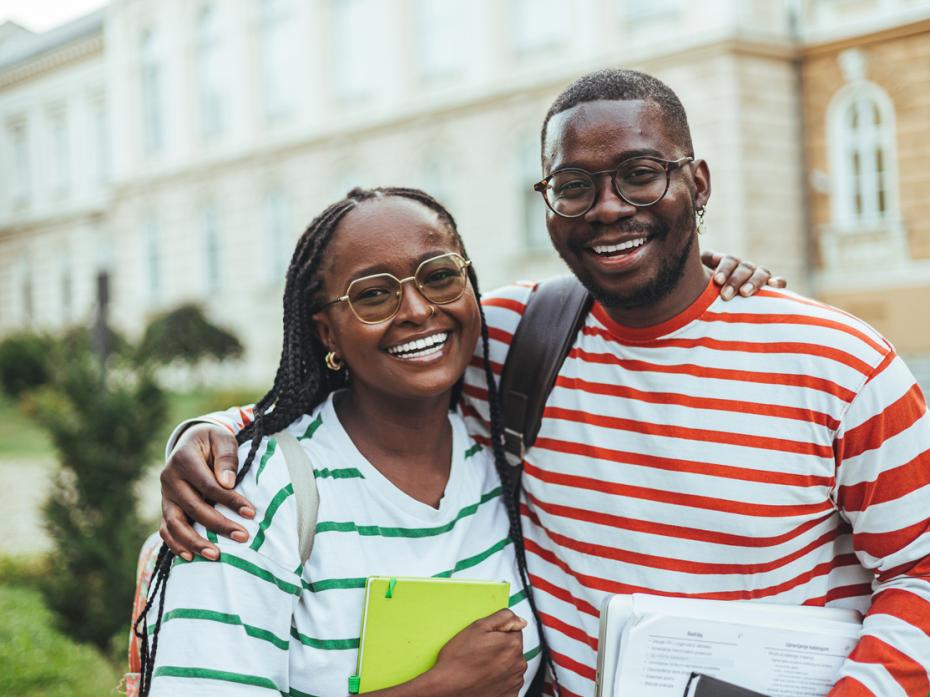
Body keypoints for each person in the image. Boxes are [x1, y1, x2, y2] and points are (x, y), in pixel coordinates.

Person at [163, 68, 930, 697]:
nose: (607, 209)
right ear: (549, 203)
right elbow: (360, 381)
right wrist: (211, 437)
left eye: (640, 176)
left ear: (696, 182)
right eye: (573, 186)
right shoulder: (512, 337)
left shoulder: (837, 362)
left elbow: (919, 569)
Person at [137, 187, 545, 696]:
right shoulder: (253, 496)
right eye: (374, 294)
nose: (417, 309)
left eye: (439, 276)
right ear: (328, 334)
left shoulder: (496, 454)